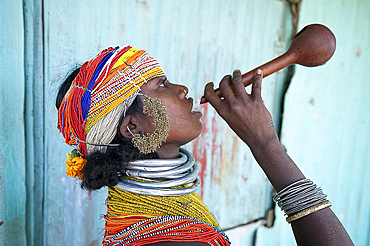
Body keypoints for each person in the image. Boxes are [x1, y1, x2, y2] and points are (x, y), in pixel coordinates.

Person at [56, 46, 354, 246]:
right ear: (134, 127)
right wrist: (265, 144)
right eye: (162, 85)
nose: (182, 89)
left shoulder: (163, 220)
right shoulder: (170, 239)